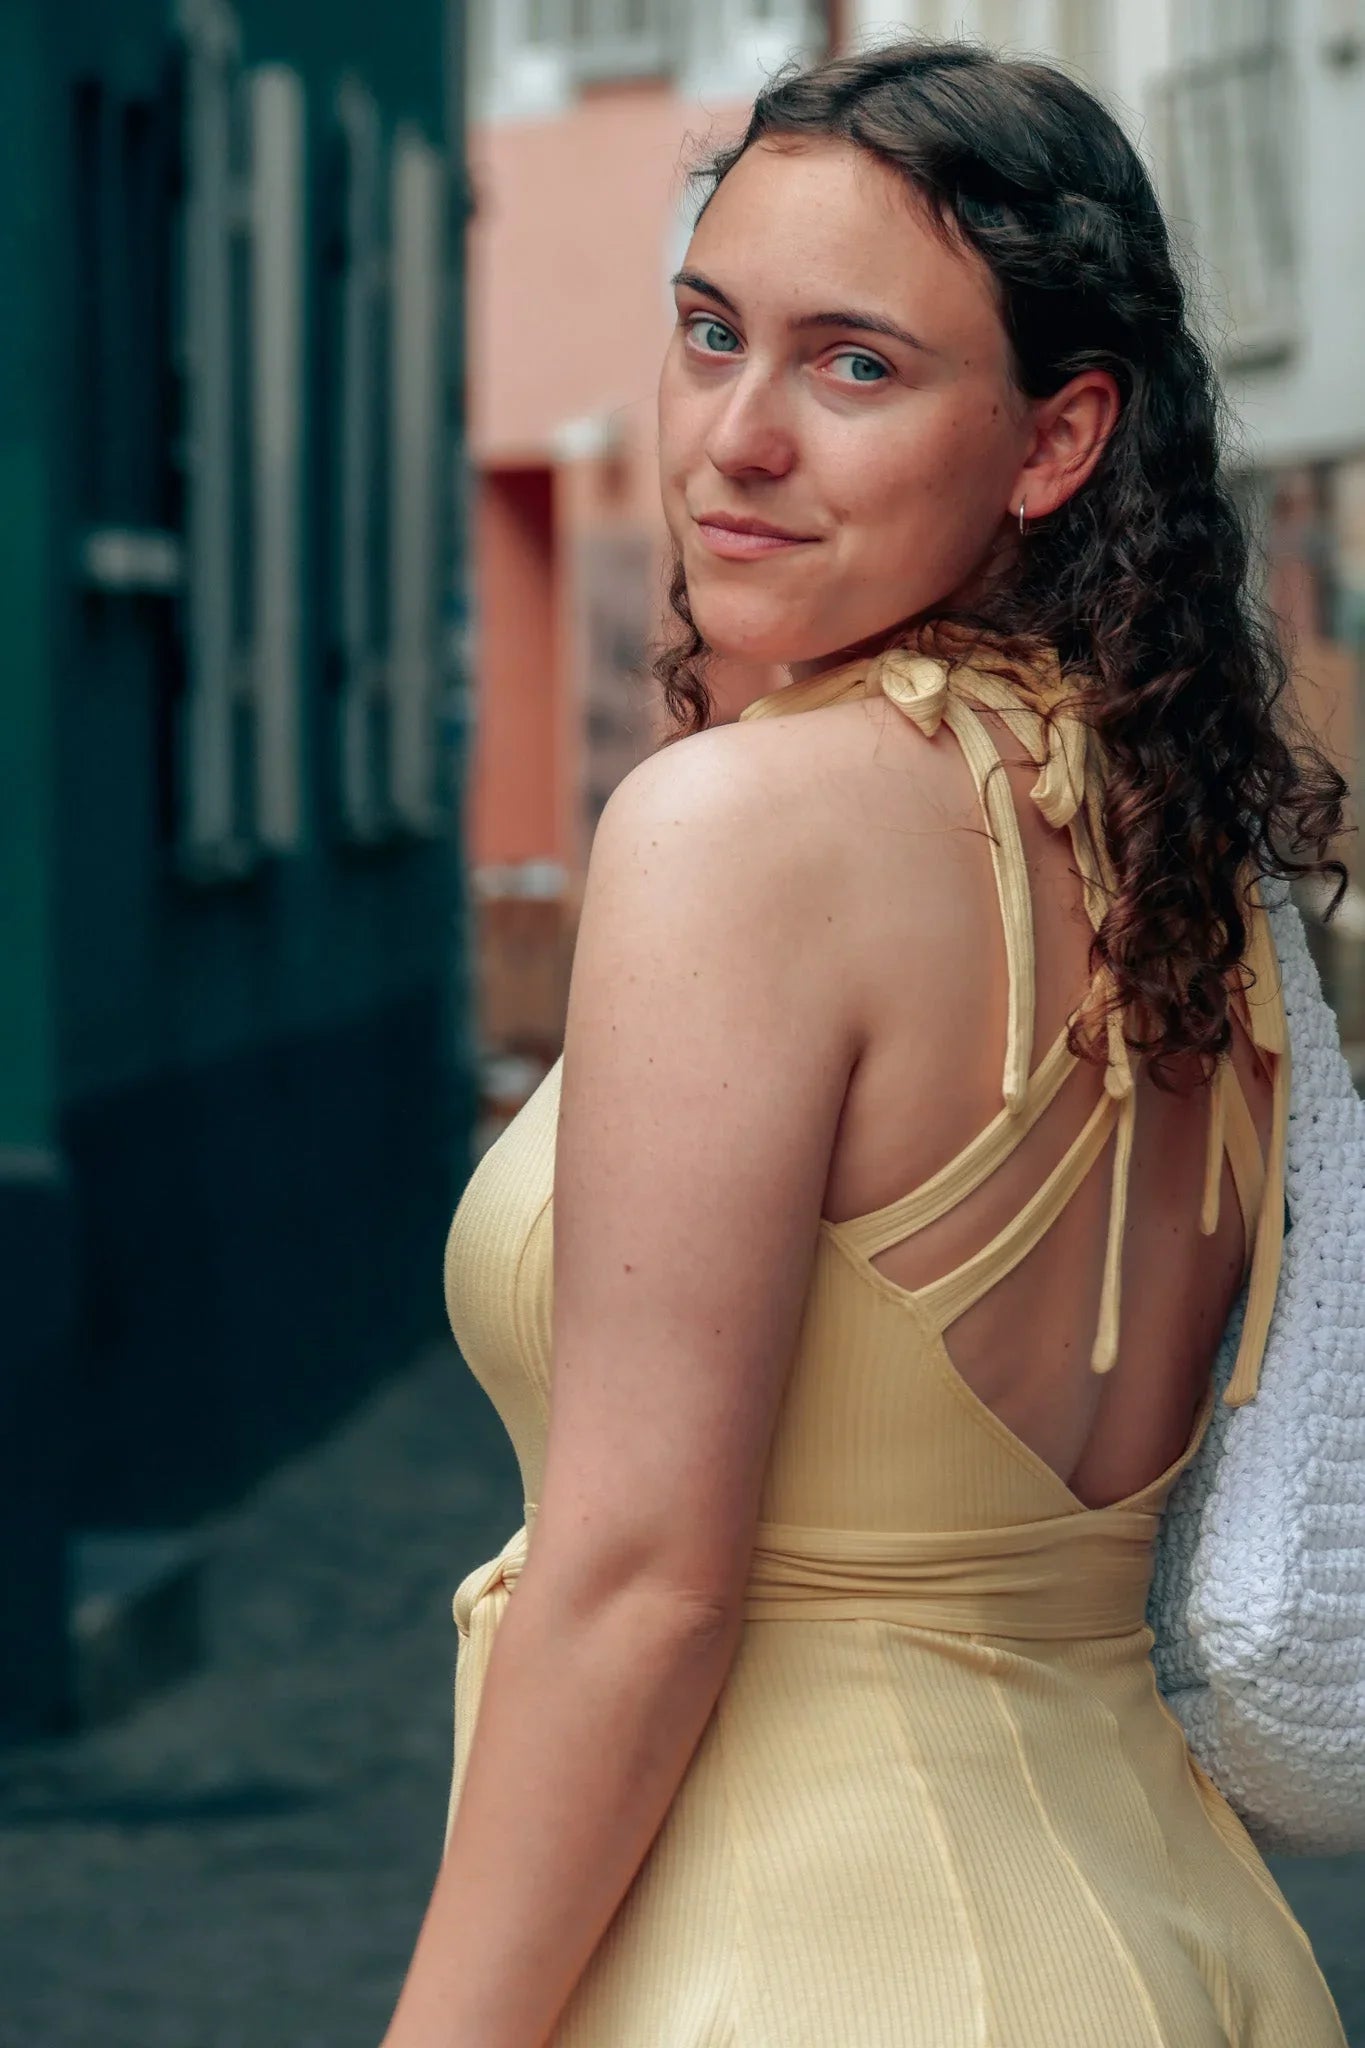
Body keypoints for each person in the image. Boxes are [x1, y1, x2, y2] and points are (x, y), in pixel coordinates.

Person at [383, 37, 1350, 2048]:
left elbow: (640, 1586)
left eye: (852, 365)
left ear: (1054, 439)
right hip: (1179, 1947)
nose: (734, 437)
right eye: (708, 332)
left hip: (812, 1961)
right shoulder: (1183, 847)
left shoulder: (738, 831)